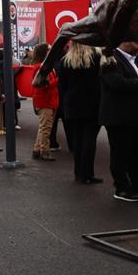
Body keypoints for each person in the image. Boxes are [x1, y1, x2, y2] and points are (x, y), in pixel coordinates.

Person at [99, 42, 138, 202]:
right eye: (136, 41)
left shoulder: (130, 60)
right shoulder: (110, 58)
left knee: (136, 153)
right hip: (119, 117)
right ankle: (122, 188)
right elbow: (116, 83)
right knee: (120, 153)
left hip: (134, 117)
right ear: (124, 42)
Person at [56, 41, 103, 184]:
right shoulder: (96, 57)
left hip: (72, 104)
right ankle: (87, 173)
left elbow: (61, 85)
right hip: (92, 103)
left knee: (77, 139)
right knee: (89, 139)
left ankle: (78, 172)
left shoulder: (66, 60)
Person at [30, 44, 59, 161]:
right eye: (48, 50)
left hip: (48, 100)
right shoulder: (40, 67)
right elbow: (43, 86)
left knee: (44, 126)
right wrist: (57, 81)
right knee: (46, 127)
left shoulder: (44, 66)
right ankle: (44, 151)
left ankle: (37, 149)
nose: (50, 52)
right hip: (45, 100)